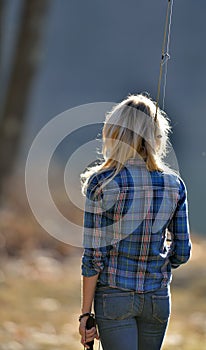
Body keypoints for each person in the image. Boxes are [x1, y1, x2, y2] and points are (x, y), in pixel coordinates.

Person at [79, 94, 191, 350]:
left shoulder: (103, 183)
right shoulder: (174, 185)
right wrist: (157, 264)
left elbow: (94, 257)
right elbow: (182, 252)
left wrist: (86, 314)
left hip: (114, 296)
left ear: (115, 132)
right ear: (156, 137)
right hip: (157, 299)